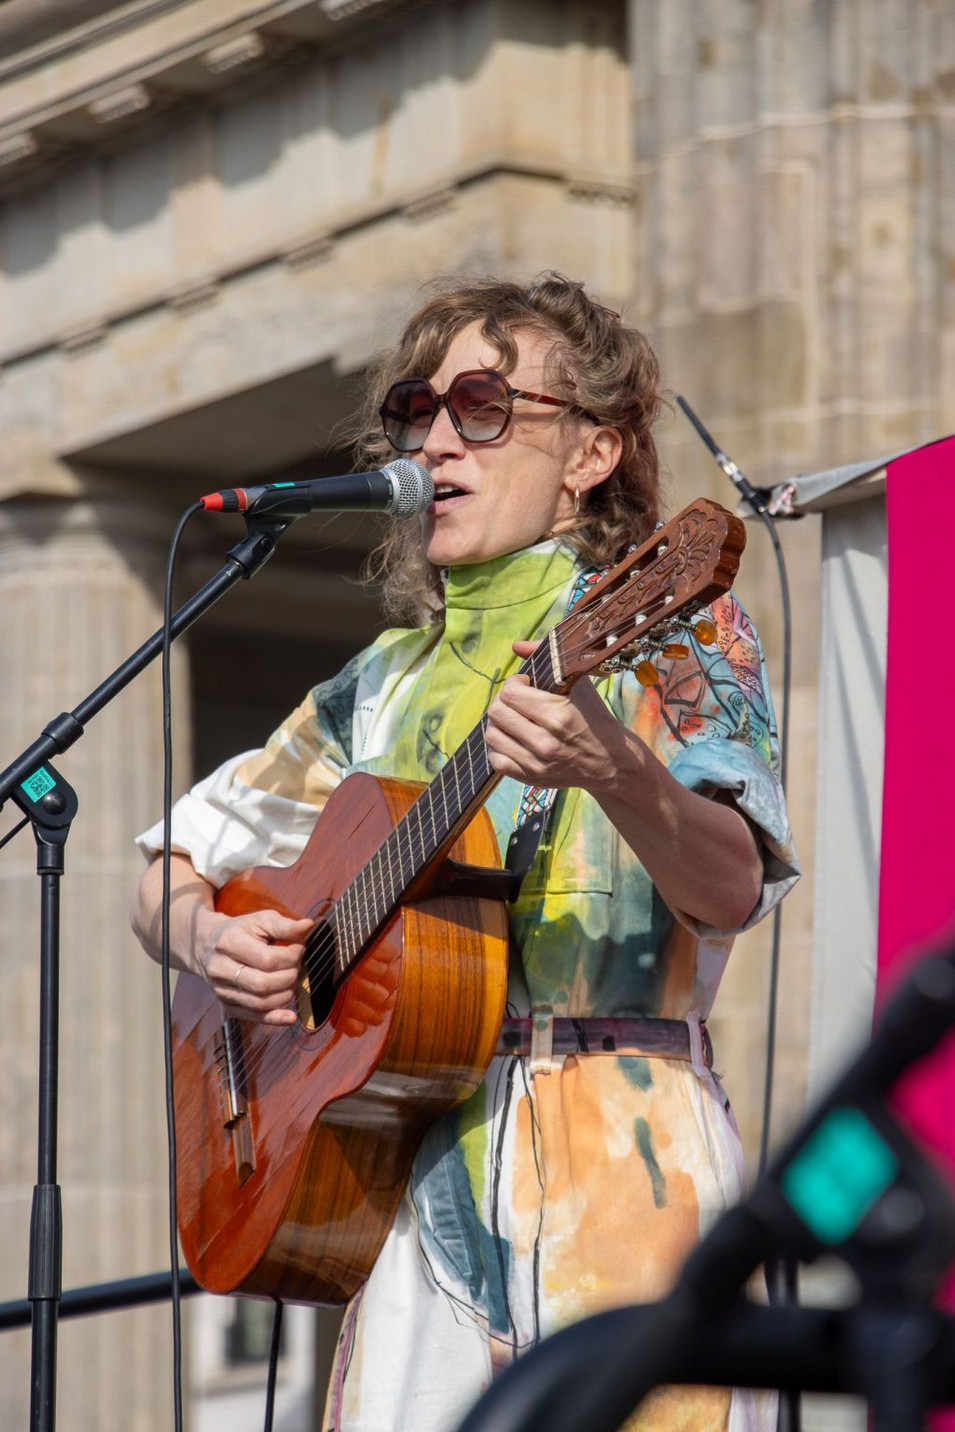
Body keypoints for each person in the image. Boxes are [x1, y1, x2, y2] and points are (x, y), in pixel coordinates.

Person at [132, 272, 798, 1432]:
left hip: (621, 1155)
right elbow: (163, 870)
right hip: (407, 1171)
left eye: (481, 406)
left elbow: (732, 888)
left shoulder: (672, 624)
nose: (435, 439)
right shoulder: (374, 686)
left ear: (590, 452)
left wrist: (616, 769)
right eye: (416, 408)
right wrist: (210, 934)